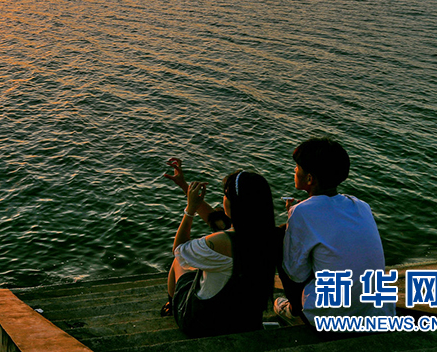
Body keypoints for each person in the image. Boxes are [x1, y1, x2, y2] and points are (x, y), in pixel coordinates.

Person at [276, 137, 394, 324]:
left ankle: (296, 312)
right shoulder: (361, 205)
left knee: (278, 240)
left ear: (309, 178)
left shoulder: (302, 212)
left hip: (331, 319)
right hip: (377, 312)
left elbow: (296, 273)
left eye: (297, 167)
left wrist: (294, 219)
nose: (294, 170)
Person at [162, 159, 276, 337]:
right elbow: (212, 218)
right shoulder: (268, 235)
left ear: (233, 204)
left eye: (225, 195)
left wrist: (189, 210)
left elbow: (179, 249)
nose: (222, 200)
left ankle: (173, 306)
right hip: (245, 320)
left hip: (205, 324)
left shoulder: (221, 242)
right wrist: (185, 186)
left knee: (179, 263)